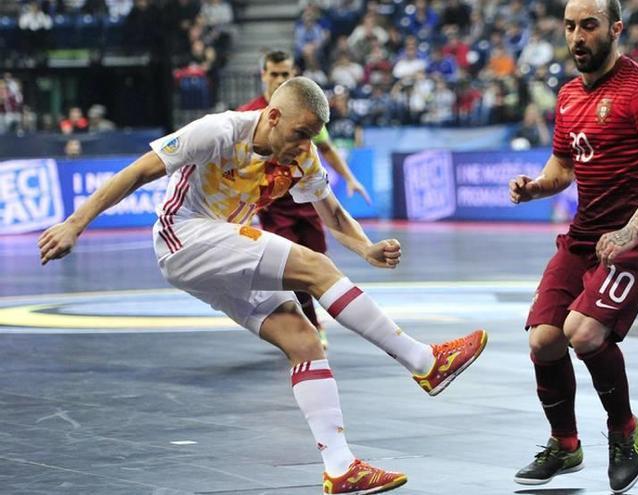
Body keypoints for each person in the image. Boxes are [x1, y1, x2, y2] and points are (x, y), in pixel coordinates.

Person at [38, 77, 488, 495]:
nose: (304, 146)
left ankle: (339, 467)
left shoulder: (302, 156)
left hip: (222, 246)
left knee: (304, 339)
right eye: (299, 133)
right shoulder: (217, 131)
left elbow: (331, 214)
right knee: (314, 267)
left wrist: (366, 249)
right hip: (185, 235)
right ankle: (424, 360)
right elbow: (137, 172)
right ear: (273, 116)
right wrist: (74, 224)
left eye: (312, 136)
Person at [508, 1, 638, 493]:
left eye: (588, 25)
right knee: (543, 340)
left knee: (583, 333)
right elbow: (563, 169)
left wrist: (630, 232)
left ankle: (625, 430)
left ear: (615, 29)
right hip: (586, 237)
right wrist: (535, 188)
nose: (577, 36)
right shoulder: (566, 96)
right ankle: (565, 446)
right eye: (569, 27)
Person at [238, 50, 371, 349]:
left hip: (308, 202)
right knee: (291, 270)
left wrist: (349, 178)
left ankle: (307, 324)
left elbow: (326, 149)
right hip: (273, 207)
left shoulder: (305, 112)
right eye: (274, 74)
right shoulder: (248, 115)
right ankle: (308, 326)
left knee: (317, 263)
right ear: (263, 75)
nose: (280, 79)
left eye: (286, 74)